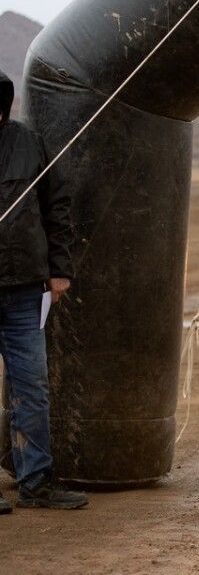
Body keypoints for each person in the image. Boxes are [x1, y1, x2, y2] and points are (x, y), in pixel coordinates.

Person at [0, 69, 88, 512]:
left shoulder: (28, 143)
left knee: (32, 388)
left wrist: (60, 272)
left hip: (24, 291)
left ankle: (35, 482)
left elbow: (56, 206)